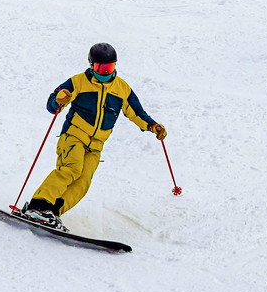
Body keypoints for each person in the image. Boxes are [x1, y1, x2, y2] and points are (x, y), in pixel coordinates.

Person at [21, 43, 166, 230]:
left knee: (83, 182)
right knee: (71, 169)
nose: (105, 72)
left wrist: (153, 126)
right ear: (92, 65)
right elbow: (52, 105)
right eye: (100, 68)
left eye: (109, 67)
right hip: (74, 136)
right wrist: (59, 99)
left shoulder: (122, 88)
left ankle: (52, 213)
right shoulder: (78, 82)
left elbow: (136, 113)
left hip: (97, 145)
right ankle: (38, 206)